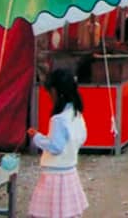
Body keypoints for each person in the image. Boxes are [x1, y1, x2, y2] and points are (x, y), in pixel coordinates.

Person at [27, 68, 89, 218]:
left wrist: (37, 137)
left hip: (55, 175)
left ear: (55, 91)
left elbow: (55, 147)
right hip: (70, 170)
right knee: (68, 213)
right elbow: (82, 137)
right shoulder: (76, 114)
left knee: (50, 213)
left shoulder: (59, 120)